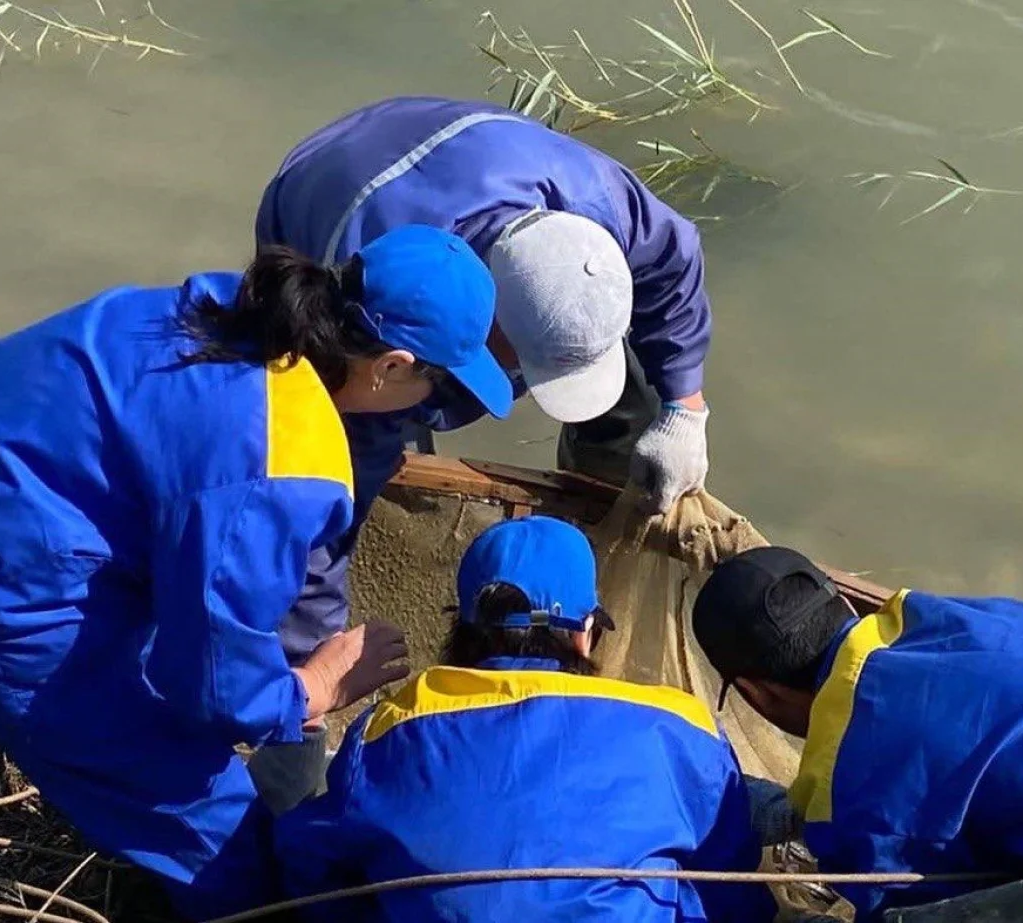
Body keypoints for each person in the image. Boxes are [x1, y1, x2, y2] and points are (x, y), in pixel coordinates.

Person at [0, 225, 512, 919]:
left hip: (26, 481)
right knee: (244, 859)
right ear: (390, 366)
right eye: (435, 386)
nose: (428, 407)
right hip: (17, 584)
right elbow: (209, 686)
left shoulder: (226, 307)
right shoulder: (284, 461)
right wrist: (316, 687)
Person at [256, 96, 715, 703]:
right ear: (481, 320)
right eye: (518, 365)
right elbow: (326, 501)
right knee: (370, 445)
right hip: (331, 192)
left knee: (629, 416)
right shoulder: (382, 301)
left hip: (474, 156)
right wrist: (309, 679)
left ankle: (599, 512)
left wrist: (686, 406)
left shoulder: (597, 212)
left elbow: (675, 263)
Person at [275, 516, 777, 923]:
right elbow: (733, 884)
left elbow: (308, 861)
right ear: (585, 633)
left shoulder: (391, 727)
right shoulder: (680, 724)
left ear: (464, 628)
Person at [691, 546, 1023, 922]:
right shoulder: (948, 617)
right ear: (841, 601)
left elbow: (917, 906)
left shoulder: (859, 793)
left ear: (756, 695)